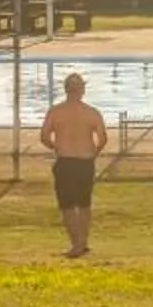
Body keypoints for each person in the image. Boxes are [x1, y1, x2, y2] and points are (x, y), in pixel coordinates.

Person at [38, 71, 110, 257]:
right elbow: (102, 139)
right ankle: (82, 243)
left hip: (66, 161)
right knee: (84, 204)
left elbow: (44, 136)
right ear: (82, 90)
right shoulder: (91, 112)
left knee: (68, 205)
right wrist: (94, 152)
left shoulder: (56, 111)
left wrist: (56, 147)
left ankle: (77, 245)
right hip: (85, 162)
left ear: (66, 90)